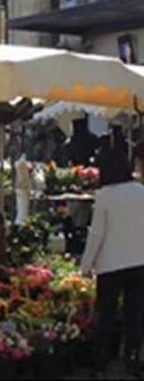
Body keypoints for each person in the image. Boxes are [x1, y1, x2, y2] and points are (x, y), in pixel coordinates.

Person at [81, 147, 144, 373]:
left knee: (106, 314)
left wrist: (86, 266)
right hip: (139, 262)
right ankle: (132, 358)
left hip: (110, 265)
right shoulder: (141, 191)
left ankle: (101, 360)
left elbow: (96, 235)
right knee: (134, 314)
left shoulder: (105, 196)